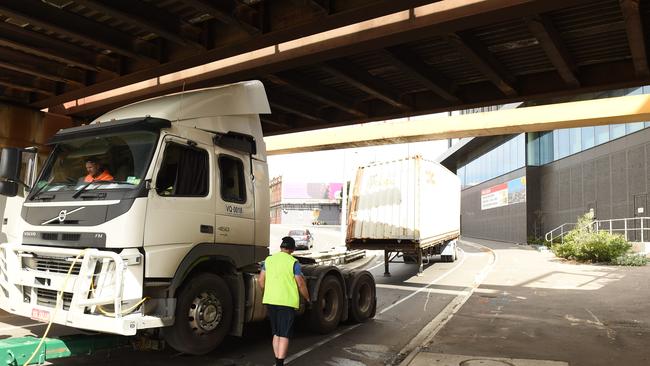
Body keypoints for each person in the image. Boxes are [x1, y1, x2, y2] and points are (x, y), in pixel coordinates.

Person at [259, 236, 311, 366]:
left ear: (281, 247)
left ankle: (277, 360)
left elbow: (261, 281)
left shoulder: (269, 260)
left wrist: (269, 292)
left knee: (276, 333)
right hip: (286, 303)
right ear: (292, 249)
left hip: (271, 301)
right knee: (284, 334)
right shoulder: (293, 262)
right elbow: (300, 284)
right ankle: (280, 364)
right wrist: (307, 298)